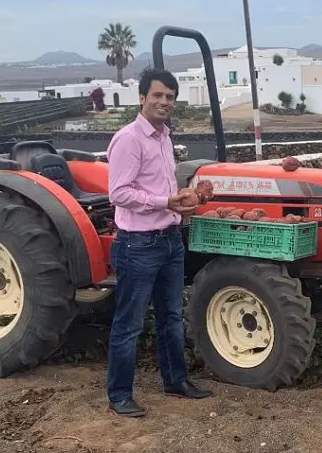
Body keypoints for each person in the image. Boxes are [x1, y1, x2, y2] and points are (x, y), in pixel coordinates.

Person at [105, 68, 213, 418]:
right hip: (138, 245)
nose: (164, 102)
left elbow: (159, 188)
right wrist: (164, 202)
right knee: (130, 323)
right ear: (142, 98)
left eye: (170, 97)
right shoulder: (129, 139)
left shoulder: (164, 137)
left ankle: (175, 381)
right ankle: (119, 394)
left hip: (169, 240)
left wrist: (179, 201)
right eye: (158, 95)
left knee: (171, 316)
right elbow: (119, 193)